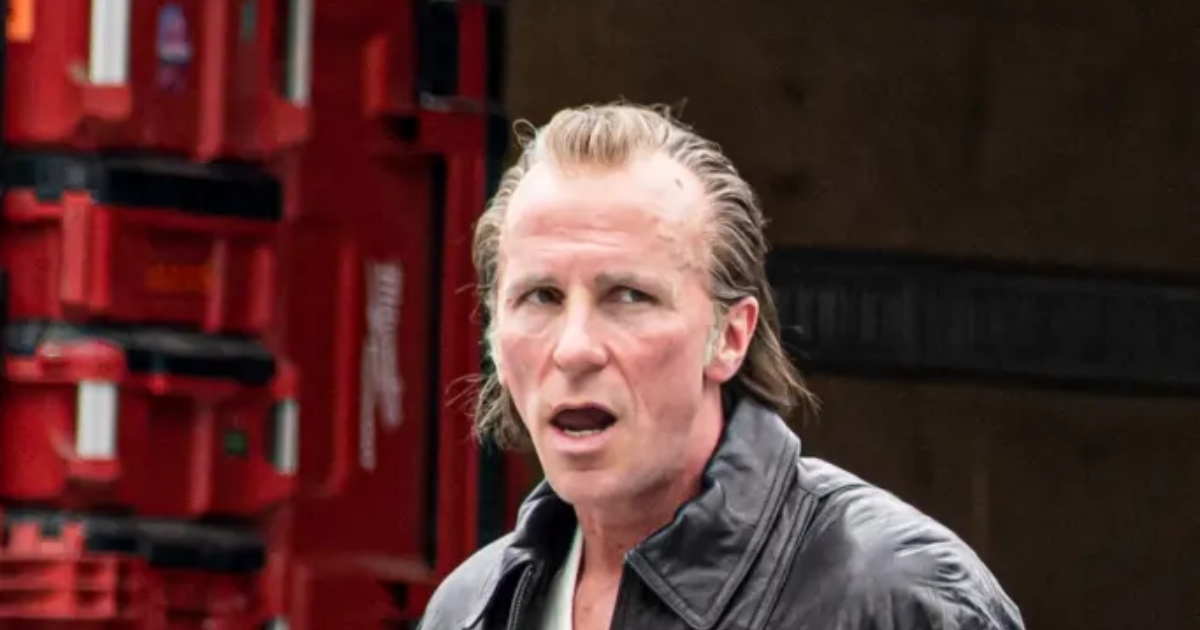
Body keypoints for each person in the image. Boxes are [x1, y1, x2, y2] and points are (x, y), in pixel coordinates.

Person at [419, 102, 1025, 630]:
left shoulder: (897, 595)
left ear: (731, 336)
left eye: (629, 296)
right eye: (541, 297)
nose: (574, 348)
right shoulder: (471, 608)